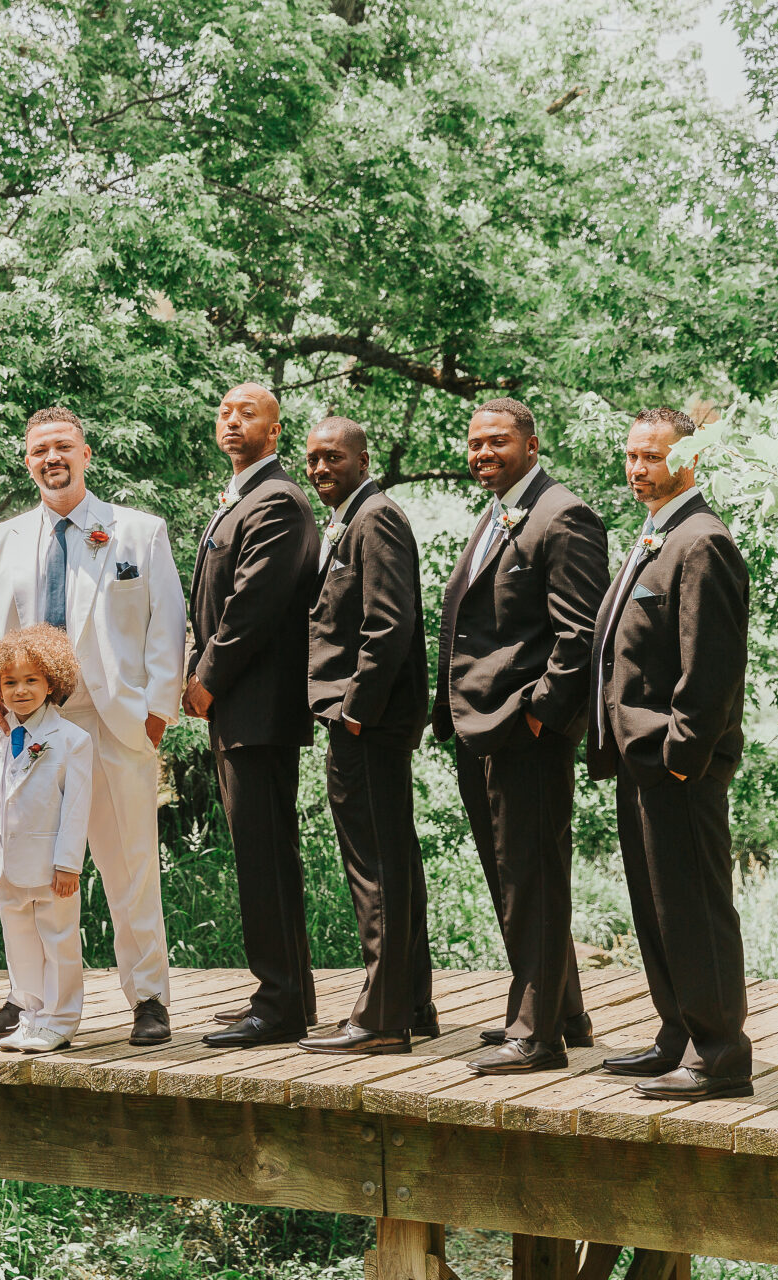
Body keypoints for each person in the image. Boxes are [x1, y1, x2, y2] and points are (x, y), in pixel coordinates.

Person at [0, 407, 185, 1047]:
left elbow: (167, 623)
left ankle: (148, 999)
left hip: (114, 724)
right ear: (26, 461)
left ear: (85, 454)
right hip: (28, 727)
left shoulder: (136, 532)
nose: (51, 458)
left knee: (130, 865)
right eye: (39, 451)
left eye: (63, 447)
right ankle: (29, 1000)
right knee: (25, 869)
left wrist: (157, 712)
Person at [430, 399, 610, 1075]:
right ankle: (565, 1010)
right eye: (475, 442)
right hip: (479, 728)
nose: (482, 453)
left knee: (531, 874)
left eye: (497, 442)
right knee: (511, 875)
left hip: (524, 731)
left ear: (532, 445)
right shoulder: (501, 509)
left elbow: (579, 635)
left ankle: (535, 1035)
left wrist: (539, 714)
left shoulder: (564, 516)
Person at [588, 406, 754, 1101]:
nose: (636, 470)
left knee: (693, 908)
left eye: (650, 458)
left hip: (676, 762)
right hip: (640, 757)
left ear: (689, 460)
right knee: (656, 906)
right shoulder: (657, 535)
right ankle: (676, 1033)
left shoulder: (702, 541)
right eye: (630, 457)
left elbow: (710, 670)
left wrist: (681, 755)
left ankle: (721, 1056)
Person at [294, 418, 439, 1054]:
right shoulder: (349, 518)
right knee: (393, 858)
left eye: (333, 458)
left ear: (363, 458)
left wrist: (356, 709)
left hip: (367, 722)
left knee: (375, 867)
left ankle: (381, 1020)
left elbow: (390, 621)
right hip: (359, 719)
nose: (321, 469)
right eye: (313, 460)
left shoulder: (375, 517)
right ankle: (412, 1002)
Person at [189, 384, 323, 1048]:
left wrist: (204, 680)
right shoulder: (238, 497)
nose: (232, 421)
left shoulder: (277, 502)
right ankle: (289, 989)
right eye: (225, 412)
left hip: (258, 708)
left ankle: (279, 1005)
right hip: (240, 707)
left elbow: (250, 610)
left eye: (248, 414)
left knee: (264, 856)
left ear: (276, 431)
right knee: (264, 854)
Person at [0, 626, 94, 1054]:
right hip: (6, 864)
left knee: (57, 940)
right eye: (9, 682)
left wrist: (69, 863)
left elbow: (76, 807)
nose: (20, 691)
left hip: (50, 864)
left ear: (52, 683)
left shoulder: (72, 740)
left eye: (31, 680)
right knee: (20, 944)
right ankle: (31, 1016)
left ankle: (60, 1019)